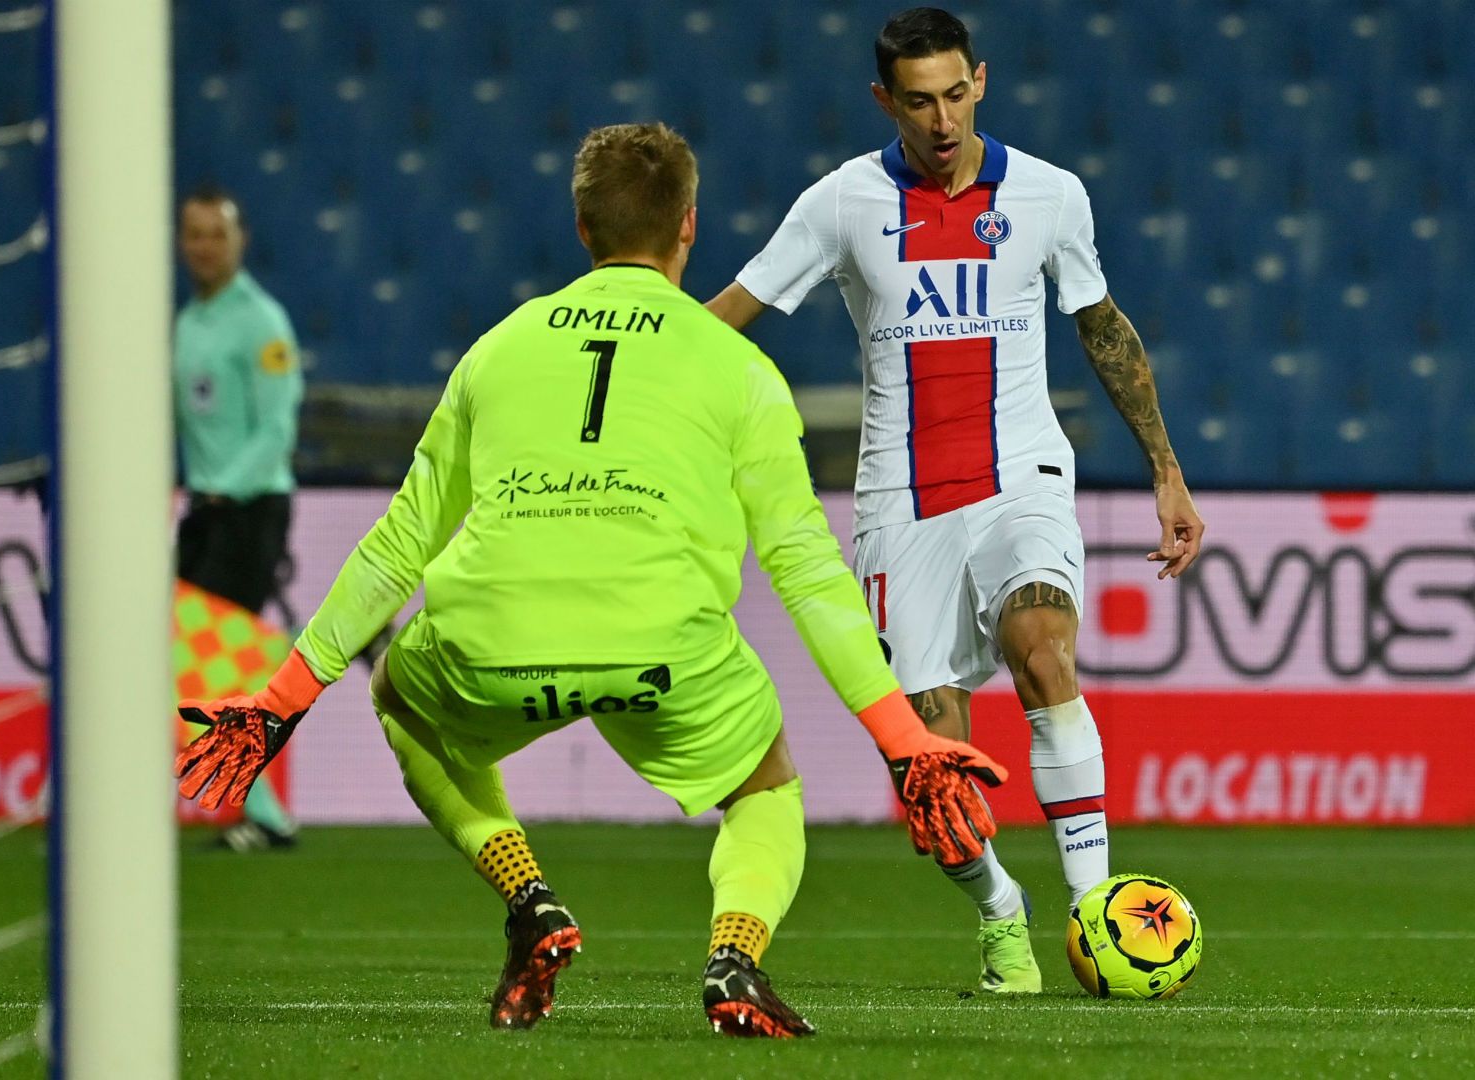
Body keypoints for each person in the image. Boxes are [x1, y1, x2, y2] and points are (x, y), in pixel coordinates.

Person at [172, 123, 1006, 1038]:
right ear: (689, 225)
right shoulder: (741, 368)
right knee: (765, 786)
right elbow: (805, 568)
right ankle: (734, 956)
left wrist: (283, 699)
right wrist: (900, 738)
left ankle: (529, 900)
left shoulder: (497, 349)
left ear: (581, 227)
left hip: (491, 637)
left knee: (399, 698)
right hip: (663, 650)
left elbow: (399, 541)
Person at [704, 7, 1206, 995]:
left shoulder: (1050, 196)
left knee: (1045, 649)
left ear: (981, 80)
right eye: (918, 101)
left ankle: (1094, 913)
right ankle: (1000, 909)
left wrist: (1166, 467)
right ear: (884, 99)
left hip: (1022, 475)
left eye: (955, 94)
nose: (941, 120)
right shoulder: (842, 203)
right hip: (900, 504)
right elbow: (731, 319)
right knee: (930, 774)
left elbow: (1105, 329)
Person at [172, 186, 306, 852]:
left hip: (250, 508)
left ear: (239, 240)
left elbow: (276, 427)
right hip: (208, 507)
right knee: (194, 662)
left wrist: (223, 488)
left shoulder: (261, 322)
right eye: (193, 234)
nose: (203, 246)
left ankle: (267, 813)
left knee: (207, 661)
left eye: (215, 234)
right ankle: (262, 808)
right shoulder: (189, 321)